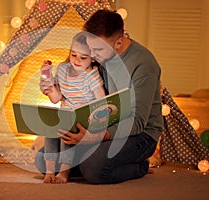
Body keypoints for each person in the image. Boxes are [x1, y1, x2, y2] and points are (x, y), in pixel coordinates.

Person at [35, 9, 163, 184]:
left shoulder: (143, 63)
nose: (92, 54)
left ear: (118, 43)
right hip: (98, 124)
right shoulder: (95, 51)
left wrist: (96, 137)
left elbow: (138, 122)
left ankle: (140, 166)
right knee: (43, 161)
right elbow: (72, 85)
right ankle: (91, 157)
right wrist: (51, 87)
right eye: (90, 47)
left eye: (97, 49)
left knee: (93, 169)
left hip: (138, 135)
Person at [39, 31, 106, 183]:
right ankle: (49, 171)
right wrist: (48, 83)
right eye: (73, 54)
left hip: (83, 119)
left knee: (66, 128)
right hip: (65, 113)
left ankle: (64, 171)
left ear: (93, 58)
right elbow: (56, 99)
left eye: (83, 58)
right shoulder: (63, 69)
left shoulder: (91, 75)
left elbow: (101, 100)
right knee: (50, 128)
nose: (77, 60)